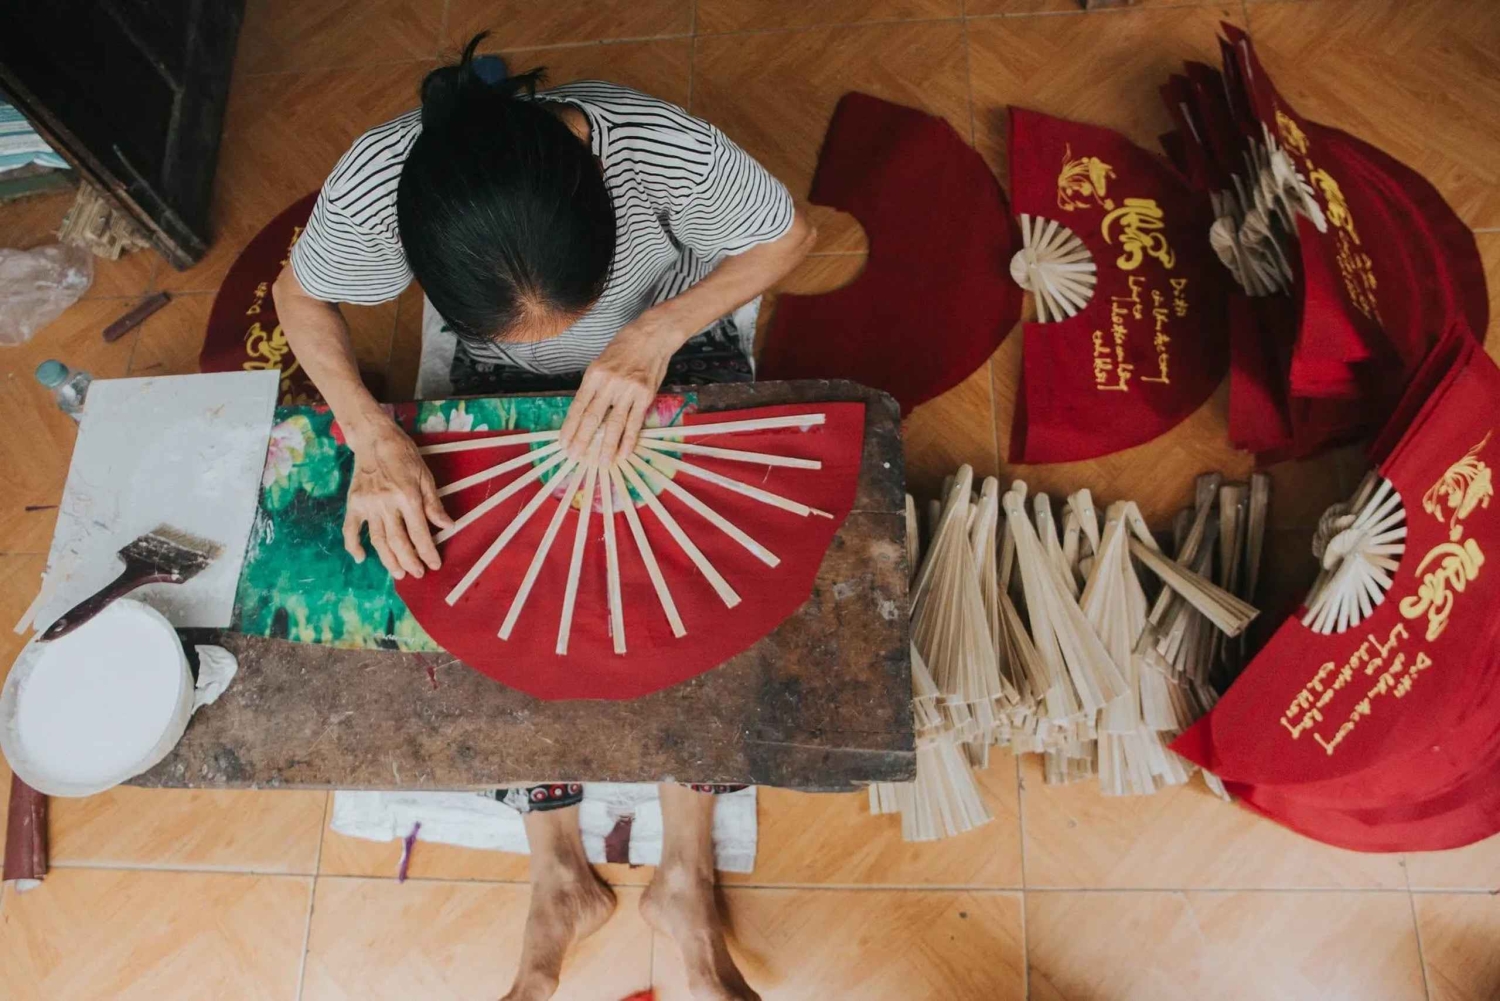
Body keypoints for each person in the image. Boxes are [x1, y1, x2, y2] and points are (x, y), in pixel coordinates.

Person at [272, 34, 815, 1001]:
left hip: (674, 353)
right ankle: (559, 875)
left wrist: (650, 330)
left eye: (576, 305)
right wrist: (371, 434)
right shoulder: (375, 180)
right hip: (491, 385)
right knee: (493, 600)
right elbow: (297, 292)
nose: (561, 341)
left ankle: (686, 879)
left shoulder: (657, 143)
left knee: (703, 589)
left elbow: (789, 237)